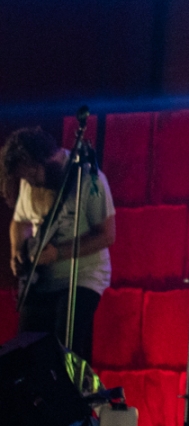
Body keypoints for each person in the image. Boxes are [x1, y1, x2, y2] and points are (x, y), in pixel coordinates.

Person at [5, 127, 115, 364]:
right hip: (41, 279)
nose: (30, 183)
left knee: (64, 349)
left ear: (43, 161)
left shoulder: (89, 179)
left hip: (82, 276)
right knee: (25, 351)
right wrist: (16, 251)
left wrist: (58, 253)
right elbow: (20, 221)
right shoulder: (29, 179)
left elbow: (107, 235)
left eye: (32, 176)